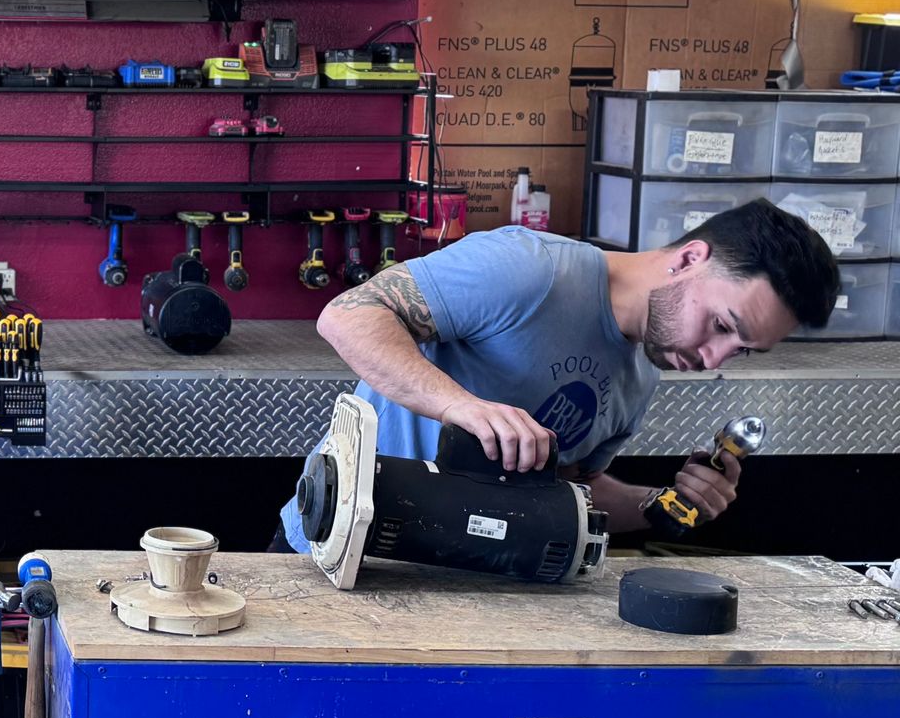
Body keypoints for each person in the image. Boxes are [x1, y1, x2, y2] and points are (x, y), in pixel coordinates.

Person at [275, 198, 840, 552]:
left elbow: (568, 487)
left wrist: (657, 504)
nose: (715, 359)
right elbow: (349, 315)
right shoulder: (532, 269)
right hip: (338, 555)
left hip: (461, 591)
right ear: (691, 259)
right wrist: (463, 407)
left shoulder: (639, 376)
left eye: (740, 350)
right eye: (721, 324)